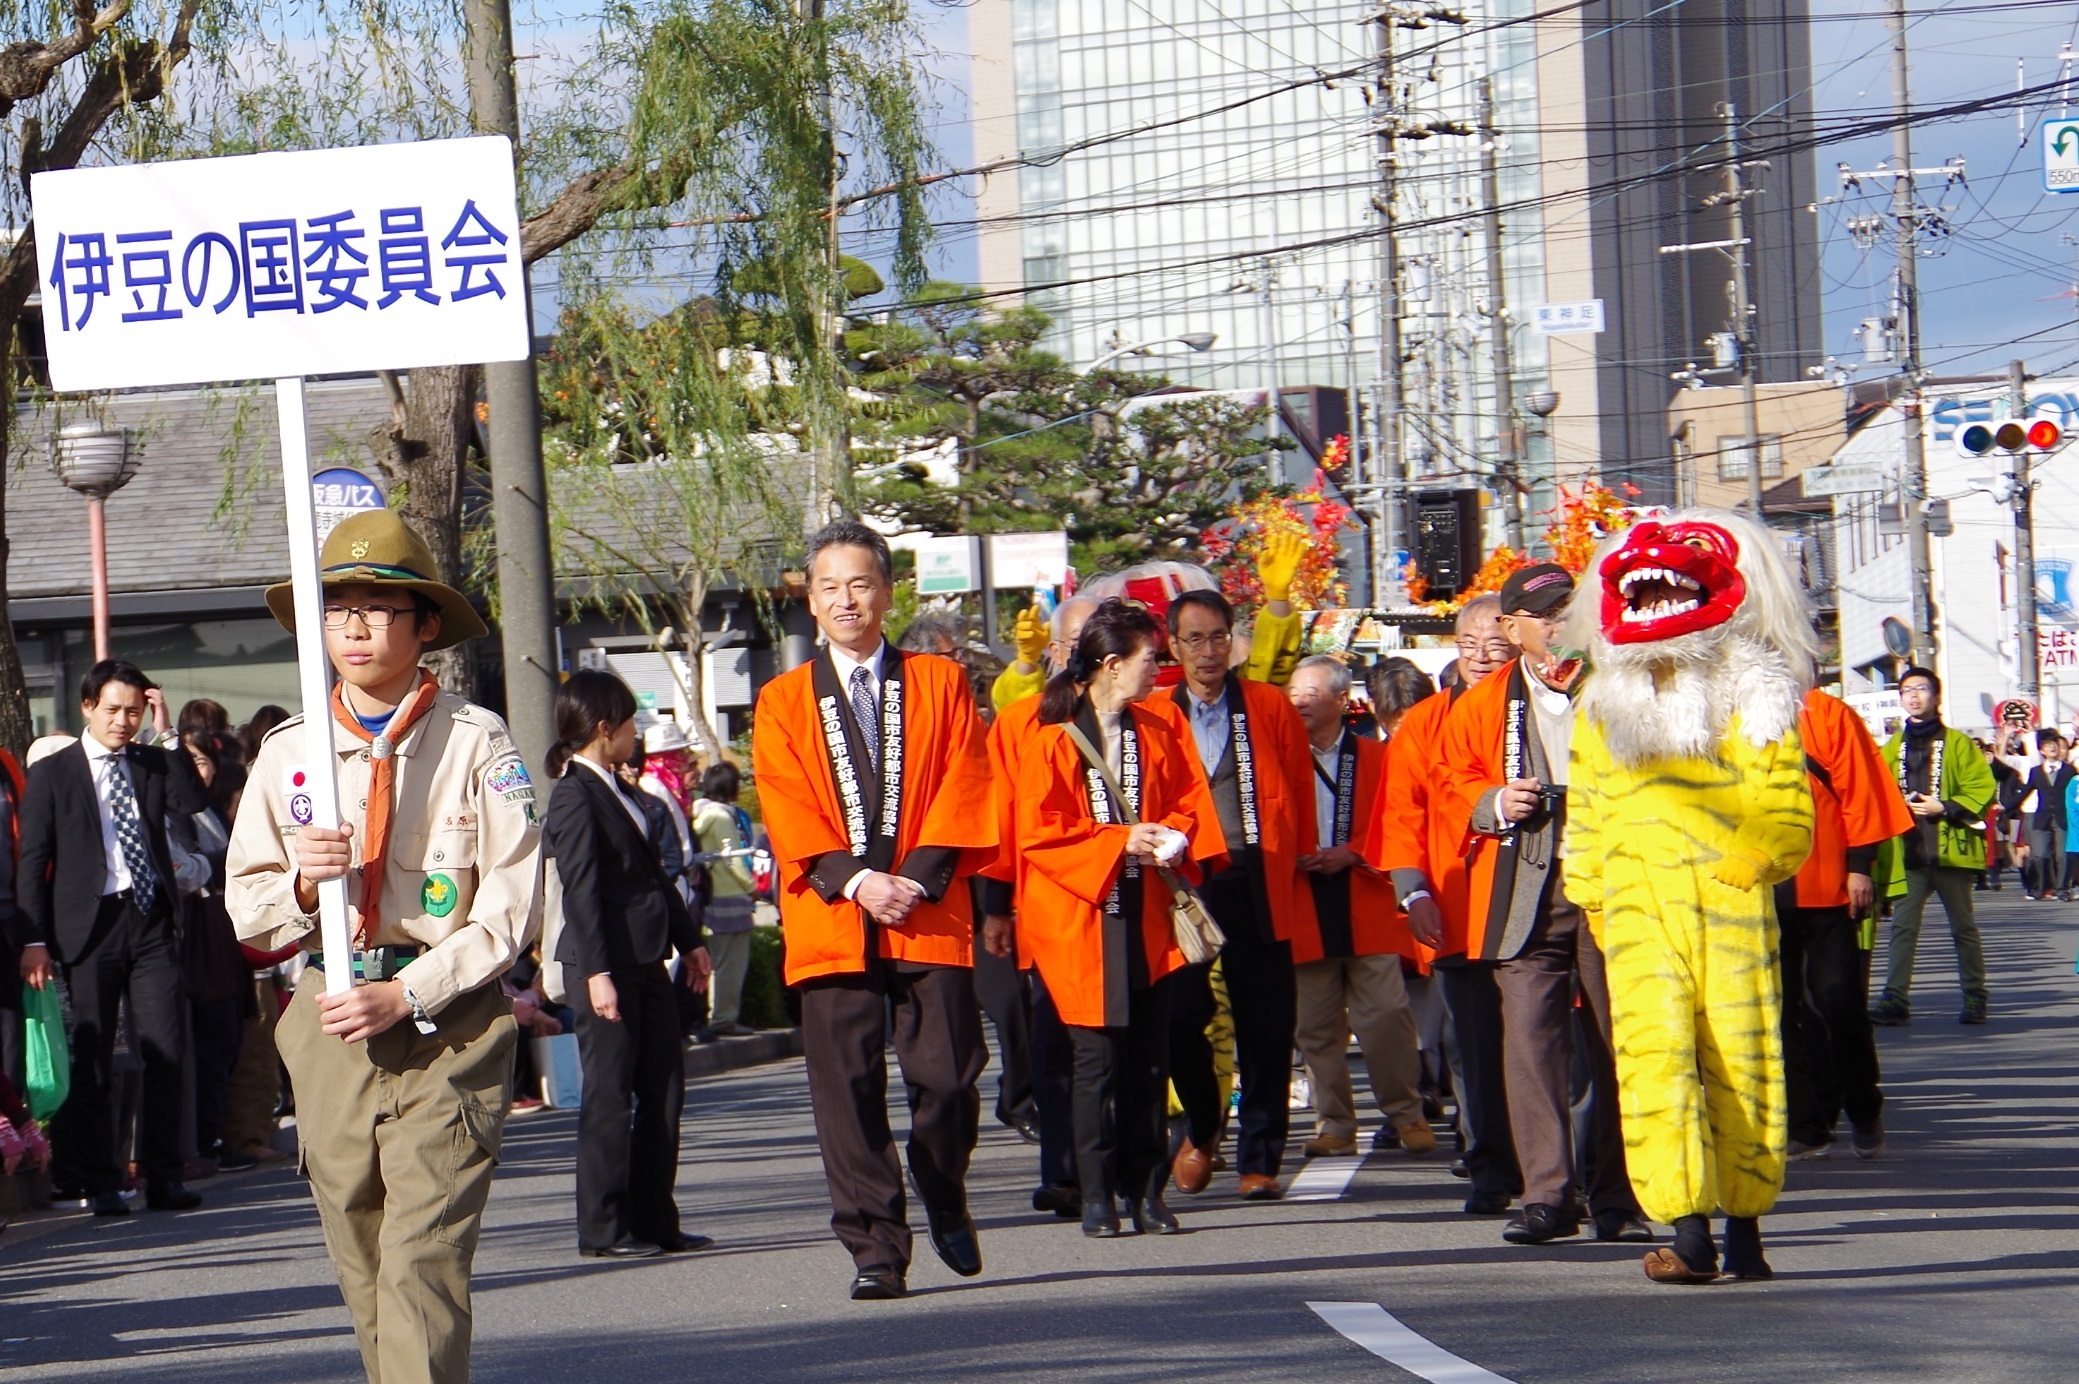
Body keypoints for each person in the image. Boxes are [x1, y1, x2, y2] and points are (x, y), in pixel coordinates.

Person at [226, 509, 542, 1384]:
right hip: (328, 1021)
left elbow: (511, 907)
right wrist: (300, 882)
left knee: (420, 1260)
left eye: (378, 608)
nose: (355, 628)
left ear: (425, 625)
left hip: (447, 1025)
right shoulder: (290, 754)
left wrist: (410, 993)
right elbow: (247, 909)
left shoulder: (477, 744)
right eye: (337, 609)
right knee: (364, 1265)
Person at [1564, 512, 1816, 1283]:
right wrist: (1594, 895)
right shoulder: (1602, 702)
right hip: (1638, 907)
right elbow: (1589, 808)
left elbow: (1782, 799)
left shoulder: (1754, 686)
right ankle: (1687, 1226)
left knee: (1741, 1060)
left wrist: (1755, 855)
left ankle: (1745, 1228)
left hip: (1727, 903)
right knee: (1653, 1061)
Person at [751, 518, 998, 1301]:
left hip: (926, 908)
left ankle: (942, 1180)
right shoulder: (783, 700)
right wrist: (857, 881)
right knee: (845, 1091)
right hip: (833, 914)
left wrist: (914, 881)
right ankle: (875, 1248)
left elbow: (967, 783)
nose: (846, 599)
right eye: (830, 587)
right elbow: (785, 804)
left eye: (861, 583)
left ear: (888, 593)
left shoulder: (940, 682)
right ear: (810, 601)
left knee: (951, 1077)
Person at [1440, 565, 1648, 1248]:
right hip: (1522, 879)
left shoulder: (1617, 685)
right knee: (1529, 1038)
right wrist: (1494, 800)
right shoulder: (1479, 704)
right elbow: (1449, 783)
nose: (1558, 625)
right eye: (1543, 614)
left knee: (1620, 1038)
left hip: (1609, 871)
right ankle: (1547, 1194)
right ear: (1511, 629)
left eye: (1567, 610)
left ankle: (1621, 1192)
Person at [1016, 599, 1223, 1235]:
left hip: (1149, 915)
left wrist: (1178, 837)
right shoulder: (1050, 734)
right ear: (1111, 664)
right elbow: (1039, 831)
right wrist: (1118, 842)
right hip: (1084, 917)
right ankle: (1098, 1193)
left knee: (1149, 1061)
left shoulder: (1160, 727)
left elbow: (1190, 800)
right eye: (1150, 659)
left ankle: (1147, 1190)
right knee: (1094, 1066)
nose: (1159, 670)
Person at [18, 659, 210, 1216]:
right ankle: (102, 1180)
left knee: (166, 1051)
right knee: (95, 1056)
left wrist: (166, 732)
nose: (123, 721)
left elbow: (193, 804)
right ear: (86, 708)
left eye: (133, 710)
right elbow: (33, 861)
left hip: (149, 920)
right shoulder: (55, 774)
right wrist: (34, 940)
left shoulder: (151, 762)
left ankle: (165, 1176)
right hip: (88, 927)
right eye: (113, 710)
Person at [1146, 587, 1315, 1201]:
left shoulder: (1267, 705)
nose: (1209, 651)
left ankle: (1260, 1156)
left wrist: (1301, 860)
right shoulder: (1158, 710)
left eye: (1218, 636)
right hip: (1187, 884)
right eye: (1194, 638)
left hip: (1259, 875)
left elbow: (1296, 783)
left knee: (1267, 1021)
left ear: (1233, 639)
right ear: (1173, 645)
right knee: (1183, 1014)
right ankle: (1202, 1126)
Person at [543, 669, 713, 1259]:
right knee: (610, 1094)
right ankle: (603, 1227)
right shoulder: (572, 794)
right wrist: (596, 975)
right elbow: (582, 892)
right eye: (631, 722)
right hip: (603, 966)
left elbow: (653, 878)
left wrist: (689, 940)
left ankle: (655, 1218)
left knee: (664, 1086)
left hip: (645, 960)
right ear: (603, 728)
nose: (637, 733)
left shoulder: (620, 788)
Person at [1371, 595, 1521, 1212]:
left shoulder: (1544, 710)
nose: (1482, 657)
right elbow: (1400, 818)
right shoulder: (1426, 723)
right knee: (1472, 1047)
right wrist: (1412, 892)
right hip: (1458, 907)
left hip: (1535, 909)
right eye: (1468, 644)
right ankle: (1489, 1164)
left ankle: (1567, 1171)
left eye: (1495, 644)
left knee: (1546, 1045)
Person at [1284, 656, 1433, 1159]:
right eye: (1294, 693)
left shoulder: (1375, 756)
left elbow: (1399, 818)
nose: (1298, 701)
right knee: (1316, 1024)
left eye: (1311, 693)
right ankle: (1334, 1123)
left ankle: (1407, 1111)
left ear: (1343, 701)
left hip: (1366, 898)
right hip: (1304, 900)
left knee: (1387, 1014)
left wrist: (1351, 852)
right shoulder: (1279, 758)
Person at [983, 594, 1098, 1219]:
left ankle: (1126, 1165)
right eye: (1072, 644)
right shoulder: (1021, 721)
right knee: (1051, 1044)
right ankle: (1063, 1172)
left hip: (1126, 905)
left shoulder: (1148, 717)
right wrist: (996, 905)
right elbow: (999, 818)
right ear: (1054, 651)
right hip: (1047, 910)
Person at [1781, 687, 1913, 1163]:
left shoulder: (1827, 711)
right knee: (1779, 1011)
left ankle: (1863, 1105)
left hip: (1827, 879)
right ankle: (1806, 1123)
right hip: (1760, 883)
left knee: (1838, 1000)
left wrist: (1861, 864)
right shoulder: (1728, 707)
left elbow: (1859, 788)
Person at [1869, 668, 1997, 1027]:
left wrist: (1946, 806)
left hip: (1951, 851)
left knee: (1964, 928)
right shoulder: (1892, 747)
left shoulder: (1958, 743)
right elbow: (1877, 790)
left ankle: (1975, 996)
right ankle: (1895, 998)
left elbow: (1982, 786)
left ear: (1937, 697)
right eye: (1907, 689)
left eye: (1922, 689)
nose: (1913, 695)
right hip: (1908, 853)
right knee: (1902, 928)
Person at [173, 717, 255, 1172]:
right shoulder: (174, 810)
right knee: (205, 1040)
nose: (193, 769)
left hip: (220, 933)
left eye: (200, 760)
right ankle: (201, 1139)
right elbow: (186, 870)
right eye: (184, 760)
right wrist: (224, 858)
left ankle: (214, 1134)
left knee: (226, 1037)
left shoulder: (209, 808)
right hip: (195, 935)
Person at [692, 762, 760, 1037]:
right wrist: (753, 887)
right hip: (731, 896)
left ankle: (718, 1016)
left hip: (712, 897)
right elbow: (734, 860)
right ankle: (724, 1018)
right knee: (732, 963)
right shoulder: (722, 817)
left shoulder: (700, 813)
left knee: (718, 961)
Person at [2020, 728, 2073, 900]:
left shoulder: (2069, 770)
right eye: (2048, 745)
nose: (2053, 748)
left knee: (2062, 855)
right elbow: (2025, 791)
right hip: (2042, 817)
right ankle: (2044, 886)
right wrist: (2007, 807)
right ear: (2041, 750)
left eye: (2055, 745)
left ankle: (2063, 888)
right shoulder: (2036, 771)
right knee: (2041, 854)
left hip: (2063, 817)